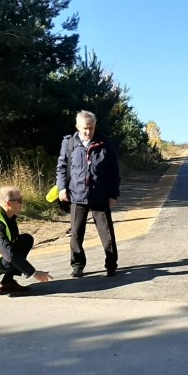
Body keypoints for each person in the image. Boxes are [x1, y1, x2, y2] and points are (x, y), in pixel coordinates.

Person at [56, 110, 121, 278]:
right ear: (77, 126)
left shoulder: (104, 143)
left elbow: (114, 171)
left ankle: (111, 264)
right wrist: (62, 188)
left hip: (100, 195)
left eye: (91, 128)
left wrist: (113, 194)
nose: (88, 131)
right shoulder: (69, 143)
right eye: (85, 128)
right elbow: (62, 167)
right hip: (76, 195)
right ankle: (77, 265)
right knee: (76, 234)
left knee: (106, 233)